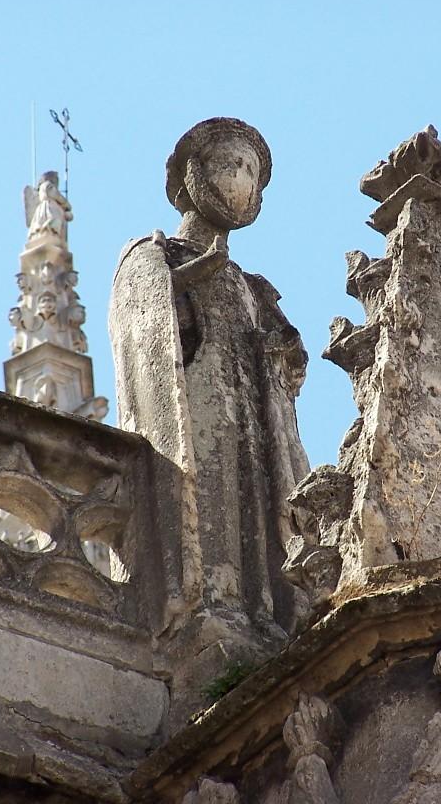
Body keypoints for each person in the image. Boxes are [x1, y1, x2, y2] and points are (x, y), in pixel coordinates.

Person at [109, 118, 310, 641]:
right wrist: (180, 287)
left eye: (252, 171)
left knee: (261, 514)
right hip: (195, 409)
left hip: (252, 418)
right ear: (194, 175)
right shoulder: (151, 254)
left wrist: (284, 357)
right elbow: (138, 327)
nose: (241, 179)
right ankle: (212, 607)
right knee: (211, 507)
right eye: (230, 164)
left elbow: (289, 372)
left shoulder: (253, 286)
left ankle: (265, 613)